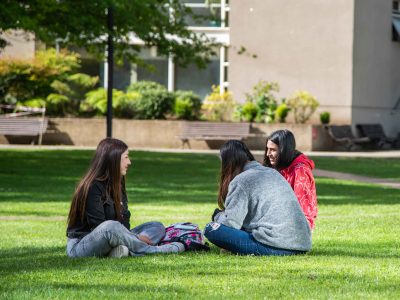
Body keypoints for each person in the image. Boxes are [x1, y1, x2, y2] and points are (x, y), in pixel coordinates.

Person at [66, 138, 184, 258]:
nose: (129, 162)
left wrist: (130, 236)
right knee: (110, 226)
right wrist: (135, 237)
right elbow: (99, 226)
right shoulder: (92, 186)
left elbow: (124, 217)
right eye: (126, 157)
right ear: (114, 159)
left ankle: (122, 250)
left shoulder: (118, 181)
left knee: (156, 226)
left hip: (114, 235)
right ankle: (150, 250)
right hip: (81, 245)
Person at [204, 140, 312, 256]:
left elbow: (231, 224)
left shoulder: (241, 181)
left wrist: (218, 216)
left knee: (211, 229)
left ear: (227, 163)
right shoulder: (272, 173)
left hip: (276, 245)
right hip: (302, 244)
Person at [263, 129, 317, 230]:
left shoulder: (300, 171)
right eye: (267, 149)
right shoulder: (279, 167)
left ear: (284, 150)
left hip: (292, 229)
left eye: (273, 150)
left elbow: (304, 210)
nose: (268, 154)